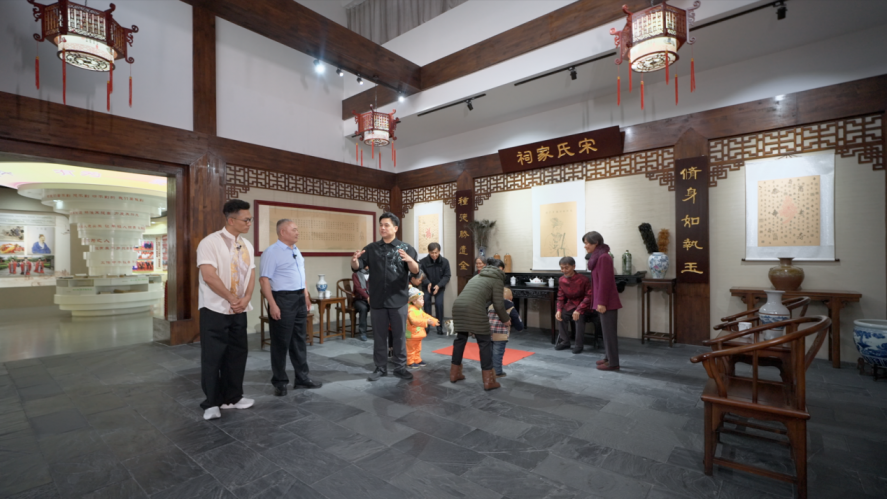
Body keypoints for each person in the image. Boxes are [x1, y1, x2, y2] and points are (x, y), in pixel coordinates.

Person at [196, 199, 257, 421]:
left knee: (237, 354)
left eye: (250, 219)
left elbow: (251, 274)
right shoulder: (209, 242)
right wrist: (232, 298)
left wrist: (246, 298)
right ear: (231, 220)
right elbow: (209, 276)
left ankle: (233, 397)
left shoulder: (247, 245)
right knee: (213, 357)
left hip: (239, 309)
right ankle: (212, 402)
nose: (249, 223)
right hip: (214, 309)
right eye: (246, 219)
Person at [351, 212, 421, 381]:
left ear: (395, 228)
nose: (382, 228)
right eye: (381, 225)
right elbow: (358, 266)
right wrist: (354, 260)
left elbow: (416, 271)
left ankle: (400, 367)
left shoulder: (406, 248)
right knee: (379, 336)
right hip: (377, 300)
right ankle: (380, 367)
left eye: (386, 225)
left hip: (398, 299)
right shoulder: (372, 248)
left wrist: (410, 260)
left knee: (399, 336)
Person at [260, 219, 321, 397]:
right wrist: (273, 304)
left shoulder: (296, 250)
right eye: (294, 229)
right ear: (282, 232)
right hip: (282, 299)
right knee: (280, 343)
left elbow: (302, 275)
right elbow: (264, 280)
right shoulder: (272, 252)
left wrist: (306, 295)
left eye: (297, 229)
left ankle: (302, 378)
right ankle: (280, 382)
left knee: (299, 340)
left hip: (299, 299)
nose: (297, 232)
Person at [450, 257, 511, 391]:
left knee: (460, 339)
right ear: (499, 269)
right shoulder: (497, 279)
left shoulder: (476, 277)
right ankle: (489, 381)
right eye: (502, 270)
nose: (502, 273)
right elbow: (498, 304)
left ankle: (454, 374)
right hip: (474, 308)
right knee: (484, 342)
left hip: (458, 306)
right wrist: (506, 319)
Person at [583, 231, 623, 371]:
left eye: (587, 243)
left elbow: (605, 283)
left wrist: (602, 302)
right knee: (606, 333)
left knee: (609, 333)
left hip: (607, 302)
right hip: (603, 301)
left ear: (596, 243)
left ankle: (613, 363)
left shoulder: (604, 257)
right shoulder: (598, 257)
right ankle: (608, 358)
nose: (585, 246)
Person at [555, 256, 592, 354]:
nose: (564, 270)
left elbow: (589, 296)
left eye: (566, 268)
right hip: (571, 304)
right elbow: (560, 296)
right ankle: (565, 342)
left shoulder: (583, 279)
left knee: (579, 317)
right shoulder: (561, 280)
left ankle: (579, 345)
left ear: (573, 266)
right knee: (561, 315)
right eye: (562, 268)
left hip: (584, 305)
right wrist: (558, 310)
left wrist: (579, 310)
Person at [489, 287, 523, 378]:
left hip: (489, 333)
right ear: (511, 298)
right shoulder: (510, 308)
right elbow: (517, 320)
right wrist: (520, 328)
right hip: (501, 335)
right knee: (498, 353)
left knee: (490, 353)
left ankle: (489, 370)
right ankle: (497, 372)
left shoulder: (491, 306)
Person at [419, 243, 451, 335]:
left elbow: (447, 276)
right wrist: (427, 282)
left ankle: (439, 326)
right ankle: (427, 326)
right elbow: (421, 273)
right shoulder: (423, 261)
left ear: (439, 251)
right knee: (426, 302)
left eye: (436, 252)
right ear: (428, 252)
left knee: (439, 304)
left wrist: (439, 285)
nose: (434, 255)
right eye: (432, 253)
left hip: (439, 287)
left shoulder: (445, 261)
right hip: (427, 287)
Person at [406, 287, 439, 369]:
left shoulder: (419, 309)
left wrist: (434, 321)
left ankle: (417, 359)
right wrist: (426, 321)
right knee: (411, 349)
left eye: (423, 299)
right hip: (412, 334)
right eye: (420, 299)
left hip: (418, 334)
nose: (423, 301)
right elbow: (414, 321)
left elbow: (426, 316)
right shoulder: (411, 310)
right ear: (414, 301)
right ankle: (410, 361)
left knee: (418, 348)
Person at [351, 264, 370, 341]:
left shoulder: (373, 274)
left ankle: (378, 332)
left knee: (378, 308)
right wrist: (367, 297)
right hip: (359, 300)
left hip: (371, 299)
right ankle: (363, 333)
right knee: (363, 308)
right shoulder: (355, 275)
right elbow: (358, 288)